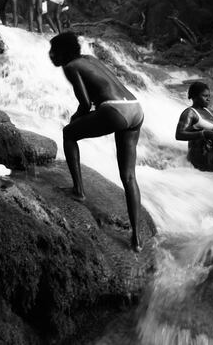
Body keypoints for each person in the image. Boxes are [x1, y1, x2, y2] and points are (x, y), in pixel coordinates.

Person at [49, 32, 144, 251]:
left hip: (115, 110)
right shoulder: (90, 59)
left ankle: (78, 190)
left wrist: (75, 118)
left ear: (63, 52)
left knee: (69, 134)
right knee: (129, 176)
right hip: (135, 108)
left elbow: (84, 103)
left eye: (53, 50)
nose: (50, 55)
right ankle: (137, 238)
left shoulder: (70, 66)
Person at [175, 82, 213, 173]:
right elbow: (179, 134)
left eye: (209, 96)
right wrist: (203, 134)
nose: (208, 99)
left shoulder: (209, 111)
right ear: (194, 96)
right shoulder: (189, 113)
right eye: (205, 96)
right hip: (201, 155)